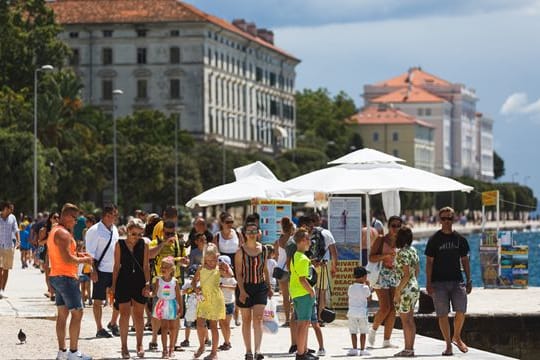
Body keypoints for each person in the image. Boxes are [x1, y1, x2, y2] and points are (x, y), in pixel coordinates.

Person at [47, 203, 94, 360]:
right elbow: (67, 258)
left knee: (62, 315)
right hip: (66, 277)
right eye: (74, 218)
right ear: (66, 216)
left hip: (56, 276)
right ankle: (73, 353)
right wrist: (85, 259)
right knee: (77, 313)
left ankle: (62, 352)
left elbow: (65, 255)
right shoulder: (63, 234)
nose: (76, 222)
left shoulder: (55, 230)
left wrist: (79, 255)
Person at [425, 206, 472, 356]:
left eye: (449, 218)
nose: (446, 221)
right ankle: (448, 345)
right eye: (444, 218)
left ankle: (456, 336)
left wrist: (469, 279)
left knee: (461, 310)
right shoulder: (434, 240)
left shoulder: (460, 240)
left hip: (457, 281)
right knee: (442, 314)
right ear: (440, 220)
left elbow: (465, 261)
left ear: (454, 219)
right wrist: (428, 282)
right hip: (438, 283)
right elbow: (429, 262)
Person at [111, 218, 151, 359]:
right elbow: (116, 267)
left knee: (139, 315)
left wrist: (148, 283)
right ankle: (124, 346)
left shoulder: (144, 245)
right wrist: (113, 286)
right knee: (125, 314)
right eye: (134, 234)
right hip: (123, 281)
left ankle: (139, 344)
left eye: (140, 234)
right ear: (128, 231)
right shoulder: (119, 244)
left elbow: (146, 266)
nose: (137, 237)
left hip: (139, 281)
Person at [148, 219, 190, 352]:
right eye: (167, 233)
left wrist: (184, 261)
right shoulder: (155, 241)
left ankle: (173, 343)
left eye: (171, 233)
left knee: (175, 315)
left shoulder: (179, 243)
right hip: (158, 282)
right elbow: (150, 255)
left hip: (175, 281)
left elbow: (185, 262)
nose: (169, 236)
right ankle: (154, 338)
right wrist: (164, 243)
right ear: (163, 231)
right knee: (157, 315)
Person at [235, 221, 272, 360]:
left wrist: (269, 286)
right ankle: (248, 351)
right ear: (245, 234)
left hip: (260, 287)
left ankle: (258, 350)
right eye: (249, 231)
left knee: (258, 318)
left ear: (258, 233)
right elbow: (238, 273)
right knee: (246, 319)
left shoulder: (264, 249)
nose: (251, 234)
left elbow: (265, 269)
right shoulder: (240, 251)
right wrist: (242, 291)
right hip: (245, 286)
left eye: (254, 231)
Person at [86, 204, 120, 338]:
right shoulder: (94, 230)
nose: (112, 218)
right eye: (110, 215)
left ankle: (113, 323)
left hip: (114, 269)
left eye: (114, 215)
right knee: (98, 300)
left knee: (120, 298)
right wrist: (93, 270)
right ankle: (99, 328)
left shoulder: (115, 229)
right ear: (104, 216)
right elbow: (89, 253)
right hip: (100, 270)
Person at [368, 215, 402, 348]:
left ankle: (387, 341)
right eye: (393, 225)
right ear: (389, 226)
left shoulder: (401, 240)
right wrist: (385, 256)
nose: (396, 228)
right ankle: (373, 330)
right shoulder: (381, 239)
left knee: (393, 309)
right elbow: (371, 257)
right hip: (381, 274)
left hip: (394, 275)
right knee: (385, 307)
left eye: (398, 226)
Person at [192, 243, 230, 360]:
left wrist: (226, 267)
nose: (211, 262)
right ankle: (202, 346)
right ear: (204, 259)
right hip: (203, 298)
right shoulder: (201, 268)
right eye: (208, 260)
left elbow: (230, 275)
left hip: (215, 299)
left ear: (217, 256)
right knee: (199, 323)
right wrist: (196, 288)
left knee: (214, 325)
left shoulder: (219, 268)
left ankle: (214, 352)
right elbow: (194, 281)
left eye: (213, 259)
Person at [289, 227, 318, 360]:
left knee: (304, 323)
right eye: (307, 239)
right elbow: (302, 279)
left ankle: (304, 350)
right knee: (303, 323)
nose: (309, 242)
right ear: (301, 241)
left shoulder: (296, 255)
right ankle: (301, 354)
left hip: (297, 293)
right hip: (303, 293)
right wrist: (311, 291)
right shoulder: (302, 258)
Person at [393, 227, 420, 357]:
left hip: (405, 288)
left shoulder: (402, 253)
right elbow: (417, 271)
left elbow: (406, 274)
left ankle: (408, 349)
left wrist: (398, 291)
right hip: (414, 287)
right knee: (410, 319)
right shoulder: (413, 250)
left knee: (405, 320)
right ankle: (410, 348)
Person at [151, 256, 182, 359]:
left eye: (166, 267)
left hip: (172, 305)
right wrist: (149, 294)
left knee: (173, 328)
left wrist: (180, 307)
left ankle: (171, 348)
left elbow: (178, 295)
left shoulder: (175, 281)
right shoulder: (158, 280)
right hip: (162, 305)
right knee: (164, 328)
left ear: (172, 269)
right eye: (162, 266)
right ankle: (164, 350)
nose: (163, 269)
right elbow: (155, 293)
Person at [274, 217, 294, 327]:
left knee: (285, 297)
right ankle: (294, 318)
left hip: (282, 271)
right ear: (291, 228)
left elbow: (276, 256)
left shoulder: (278, 241)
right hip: (293, 270)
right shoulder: (293, 240)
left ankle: (287, 320)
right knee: (294, 296)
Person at [346, 266, 371, 356]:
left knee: (353, 331)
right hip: (362, 312)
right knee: (363, 332)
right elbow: (369, 299)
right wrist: (368, 286)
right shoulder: (365, 288)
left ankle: (354, 349)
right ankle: (363, 349)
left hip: (352, 312)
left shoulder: (350, 287)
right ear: (364, 277)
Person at [0, 201, 19, 298]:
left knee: (6, 269)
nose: (12, 211)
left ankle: (2, 290)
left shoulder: (13, 218)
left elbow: (16, 229)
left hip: (9, 246)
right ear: (5, 208)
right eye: (11, 209)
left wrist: (18, 241)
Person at [218, 255, 237, 352]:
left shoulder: (231, 278)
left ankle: (227, 342)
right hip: (219, 303)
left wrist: (223, 286)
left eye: (223, 266)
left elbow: (236, 288)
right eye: (219, 266)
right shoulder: (217, 277)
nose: (221, 268)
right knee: (221, 324)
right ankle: (226, 341)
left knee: (226, 324)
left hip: (228, 303)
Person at [40, 212, 60, 300]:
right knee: (49, 274)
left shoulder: (61, 229)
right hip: (49, 253)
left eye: (58, 217)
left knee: (57, 274)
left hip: (60, 254)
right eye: (54, 217)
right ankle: (52, 292)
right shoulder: (44, 230)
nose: (56, 219)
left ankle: (56, 292)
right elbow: (40, 242)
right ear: (50, 219)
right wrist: (50, 236)